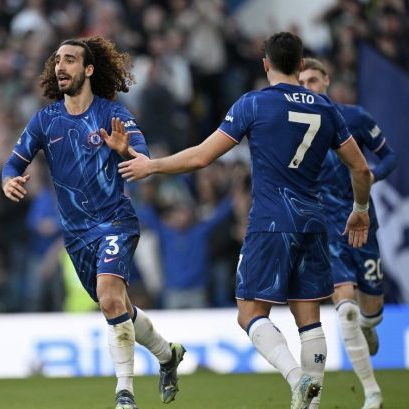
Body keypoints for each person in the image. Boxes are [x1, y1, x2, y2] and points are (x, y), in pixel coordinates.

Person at [118, 32, 372, 409]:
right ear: (302, 65)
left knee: (250, 313)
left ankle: (296, 378)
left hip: (271, 222)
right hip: (314, 222)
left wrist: (151, 165)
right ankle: (311, 404)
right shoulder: (326, 108)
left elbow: (203, 156)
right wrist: (360, 210)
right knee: (310, 319)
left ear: (265, 63)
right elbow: (362, 169)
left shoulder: (253, 104)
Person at [1, 37, 185, 409]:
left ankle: (125, 395)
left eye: (69, 60)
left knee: (108, 295)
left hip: (116, 220)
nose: (60, 67)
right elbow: (12, 164)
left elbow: (143, 159)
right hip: (77, 236)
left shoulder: (111, 114)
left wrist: (125, 150)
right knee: (116, 306)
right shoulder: (44, 119)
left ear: (88, 70)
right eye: (57, 61)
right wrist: (9, 180)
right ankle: (167, 356)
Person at [300, 58, 397, 409]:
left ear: (327, 80)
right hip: (326, 226)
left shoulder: (354, 117)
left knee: (371, 309)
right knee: (345, 310)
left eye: (313, 79)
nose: (308, 86)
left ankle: (371, 325)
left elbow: (389, 157)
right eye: (302, 81)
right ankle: (372, 392)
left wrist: (371, 173)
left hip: (362, 220)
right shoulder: (297, 126)